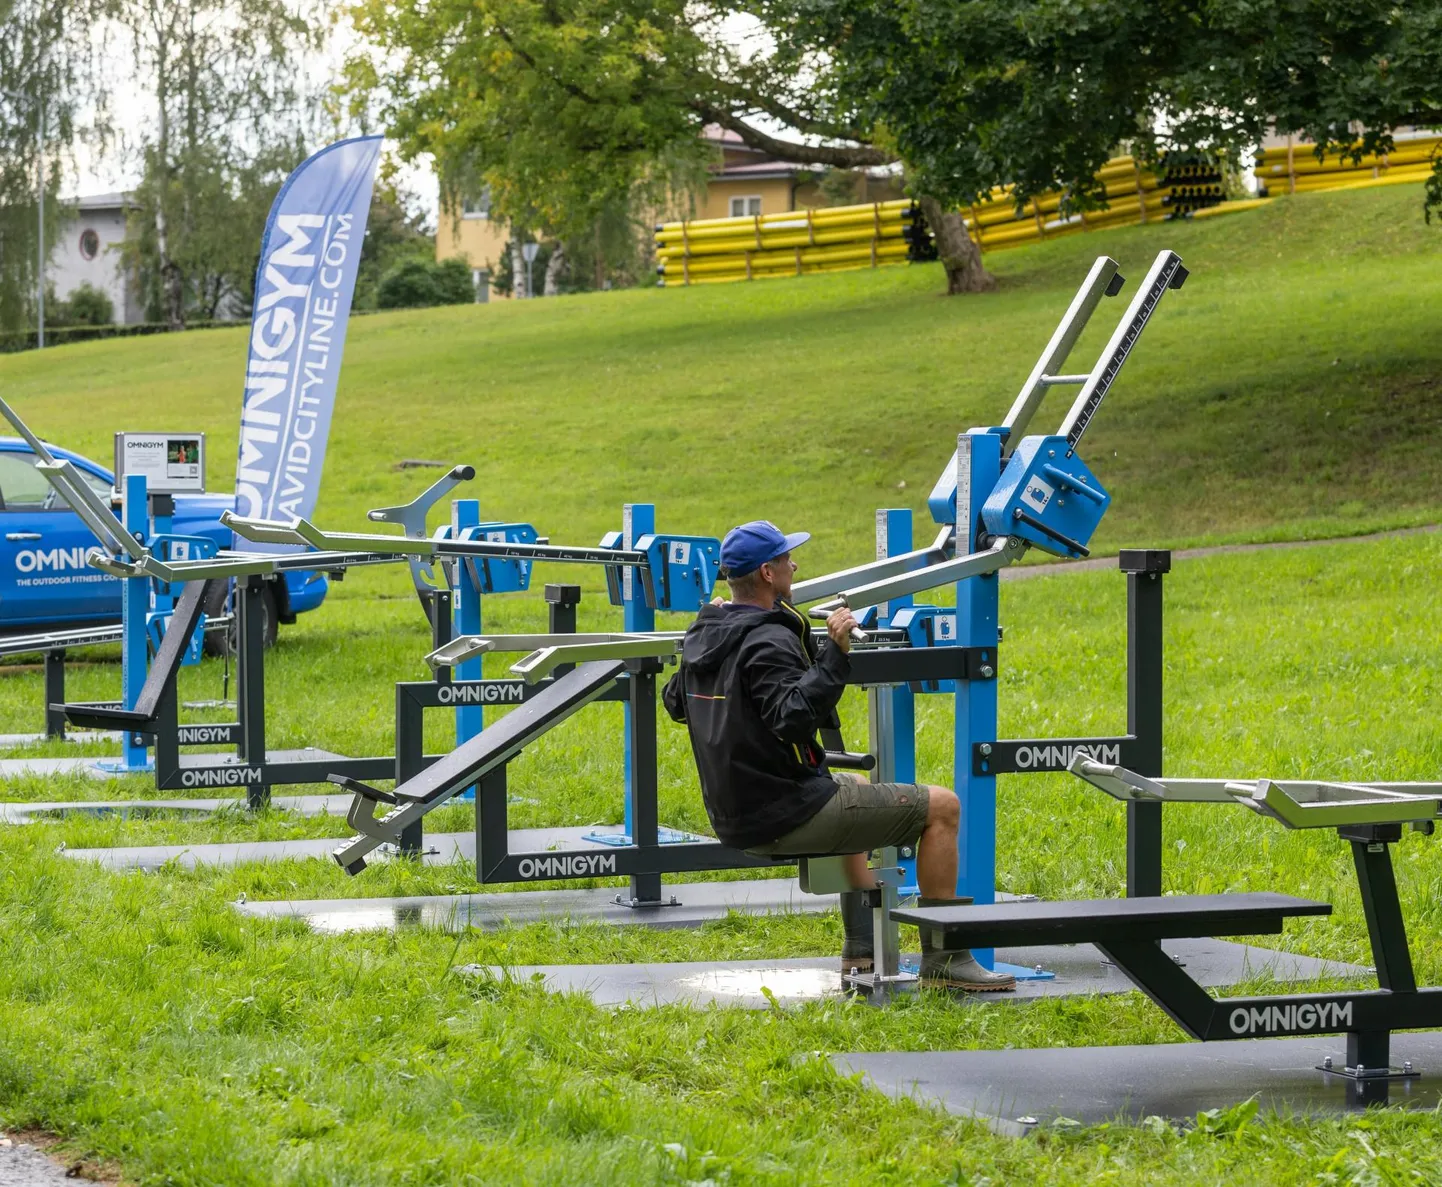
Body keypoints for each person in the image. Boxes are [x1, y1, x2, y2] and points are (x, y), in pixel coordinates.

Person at [662, 520, 1015, 991]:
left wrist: (704, 627)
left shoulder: (708, 632)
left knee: (860, 787)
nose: (795, 563)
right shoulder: (768, 638)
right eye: (787, 558)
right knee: (943, 808)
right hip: (784, 812)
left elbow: (675, 703)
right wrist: (836, 654)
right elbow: (791, 718)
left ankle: (861, 950)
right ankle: (946, 960)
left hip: (734, 814)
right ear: (768, 573)